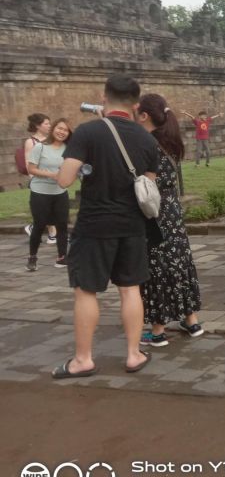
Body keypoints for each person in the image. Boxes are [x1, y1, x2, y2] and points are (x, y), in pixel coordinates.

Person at [51, 73, 159, 378]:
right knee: (130, 289)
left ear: (103, 98)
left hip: (94, 225)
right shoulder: (147, 139)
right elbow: (147, 188)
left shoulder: (88, 133)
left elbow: (64, 179)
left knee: (86, 290)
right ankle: (134, 354)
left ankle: (83, 359)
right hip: (133, 225)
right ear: (136, 105)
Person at [136, 94, 204, 347]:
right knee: (179, 261)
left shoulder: (146, 144)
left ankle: (157, 331)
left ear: (144, 115)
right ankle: (192, 320)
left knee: (157, 267)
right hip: (172, 209)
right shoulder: (170, 142)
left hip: (154, 211)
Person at [26, 118, 72, 271]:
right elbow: (31, 169)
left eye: (65, 130)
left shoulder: (69, 149)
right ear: (53, 129)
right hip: (40, 192)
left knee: (62, 225)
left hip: (60, 192)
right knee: (39, 225)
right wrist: (51, 175)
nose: (62, 132)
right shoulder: (40, 147)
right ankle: (32, 257)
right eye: (59, 128)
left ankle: (62, 257)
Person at [23, 113, 58, 245]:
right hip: (39, 181)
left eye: (50, 123)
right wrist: (35, 180)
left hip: (54, 179)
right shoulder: (30, 142)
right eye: (46, 124)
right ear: (38, 126)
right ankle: (52, 233)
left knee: (53, 206)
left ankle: (35, 227)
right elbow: (29, 164)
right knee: (45, 207)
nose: (49, 126)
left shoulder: (52, 140)